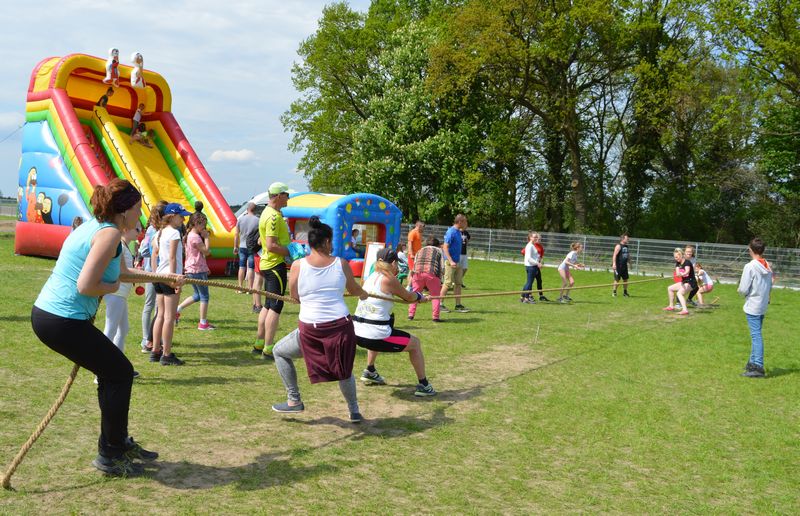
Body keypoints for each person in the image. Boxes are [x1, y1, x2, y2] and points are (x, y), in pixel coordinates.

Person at [31, 178, 162, 477]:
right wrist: (112, 286)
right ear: (125, 210)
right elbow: (87, 285)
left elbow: (123, 272)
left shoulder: (96, 227)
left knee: (112, 372)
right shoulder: (109, 234)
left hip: (53, 316)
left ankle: (116, 443)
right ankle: (110, 453)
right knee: (121, 373)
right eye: (138, 208)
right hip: (61, 319)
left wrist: (161, 277)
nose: (140, 215)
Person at [271, 216, 369, 421]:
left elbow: (295, 296)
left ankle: (294, 400)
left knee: (279, 351)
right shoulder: (341, 263)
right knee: (344, 370)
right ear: (326, 241)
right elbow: (354, 289)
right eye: (331, 241)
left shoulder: (297, 265)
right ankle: (354, 410)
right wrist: (363, 294)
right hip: (340, 328)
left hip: (312, 330)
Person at [354, 248, 436, 395]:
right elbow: (408, 297)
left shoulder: (371, 277)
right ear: (393, 263)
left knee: (383, 324)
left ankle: (370, 370)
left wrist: (416, 297)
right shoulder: (388, 279)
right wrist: (420, 297)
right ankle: (424, 385)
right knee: (415, 344)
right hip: (374, 337)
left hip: (357, 334)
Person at [253, 182, 292, 359]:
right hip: (275, 264)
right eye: (286, 195)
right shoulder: (274, 217)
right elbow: (271, 245)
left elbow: (263, 242)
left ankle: (259, 343)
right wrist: (291, 252)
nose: (288, 198)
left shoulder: (268, 212)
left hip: (267, 264)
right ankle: (268, 348)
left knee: (268, 305)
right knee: (276, 306)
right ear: (278, 196)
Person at [150, 203, 192, 365]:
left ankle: (155, 350)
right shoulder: (174, 233)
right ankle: (166, 354)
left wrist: (154, 274)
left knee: (160, 314)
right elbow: (173, 257)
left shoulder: (159, 233)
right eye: (181, 216)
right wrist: (175, 279)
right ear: (172, 216)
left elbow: (154, 255)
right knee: (169, 316)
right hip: (169, 277)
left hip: (159, 276)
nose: (183, 219)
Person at [102, 220, 143, 381]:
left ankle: (118, 366)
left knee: (123, 329)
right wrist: (142, 274)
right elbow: (121, 272)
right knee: (110, 330)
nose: (139, 232)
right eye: (137, 229)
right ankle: (101, 371)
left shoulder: (125, 246)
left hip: (121, 294)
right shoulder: (119, 245)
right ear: (125, 229)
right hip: (116, 293)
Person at [738, 238, 774, 378]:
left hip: (753, 304)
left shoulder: (750, 266)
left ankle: (758, 367)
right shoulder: (767, 265)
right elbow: (770, 285)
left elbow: (743, 288)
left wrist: (742, 292)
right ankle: (752, 363)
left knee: (756, 335)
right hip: (762, 304)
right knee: (756, 334)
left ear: (750, 250)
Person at [176, 212, 215, 330]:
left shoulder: (189, 235)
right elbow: (206, 252)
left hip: (191, 269)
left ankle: (177, 309)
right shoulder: (195, 237)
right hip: (197, 270)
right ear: (195, 224)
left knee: (197, 295)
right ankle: (203, 323)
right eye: (202, 224)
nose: (204, 227)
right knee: (204, 296)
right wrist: (206, 237)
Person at [138, 201, 167, 353]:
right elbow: (144, 251)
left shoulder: (157, 229)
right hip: (153, 272)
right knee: (152, 305)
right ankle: (146, 339)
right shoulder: (153, 230)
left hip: (156, 271)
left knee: (156, 306)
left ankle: (153, 338)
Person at [408, 237, 443, 322]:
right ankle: (435, 317)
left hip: (417, 273)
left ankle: (411, 315)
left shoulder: (420, 250)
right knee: (435, 296)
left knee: (415, 294)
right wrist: (440, 278)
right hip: (431, 273)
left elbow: (415, 264)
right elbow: (441, 266)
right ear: (437, 245)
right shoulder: (438, 250)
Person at [440, 214, 469, 313]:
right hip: (450, 262)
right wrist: (451, 261)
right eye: (465, 221)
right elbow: (445, 247)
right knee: (447, 283)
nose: (466, 223)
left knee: (458, 283)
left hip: (457, 262)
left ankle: (458, 305)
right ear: (460, 222)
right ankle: (440, 305)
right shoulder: (451, 232)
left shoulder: (459, 232)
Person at [664, 248, 694, 315]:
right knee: (670, 288)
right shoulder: (678, 263)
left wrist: (682, 274)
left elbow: (687, 271)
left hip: (691, 282)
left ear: (681, 255)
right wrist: (678, 274)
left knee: (679, 293)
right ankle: (671, 306)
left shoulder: (687, 262)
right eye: (675, 257)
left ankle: (685, 310)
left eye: (677, 257)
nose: (675, 259)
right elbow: (677, 273)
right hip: (684, 282)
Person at [521, 231, 542, 304]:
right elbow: (529, 258)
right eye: (534, 237)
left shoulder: (532, 245)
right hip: (531, 267)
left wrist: (538, 259)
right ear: (530, 237)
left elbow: (534, 256)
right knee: (529, 283)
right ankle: (526, 299)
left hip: (532, 266)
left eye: (536, 237)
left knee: (528, 283)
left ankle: (522, 297)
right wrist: (537, 263)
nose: (536, 238)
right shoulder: (530, 246)